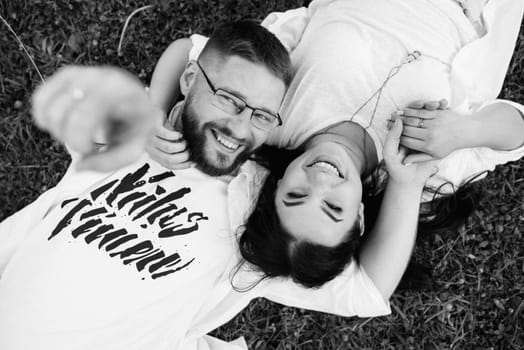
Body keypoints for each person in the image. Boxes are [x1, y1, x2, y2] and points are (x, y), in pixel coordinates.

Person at [0, 19, 437, 350]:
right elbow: (189, 49)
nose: (240, 126)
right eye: (229, 100)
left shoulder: (260, 222)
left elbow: (368, 289)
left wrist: (406, 185)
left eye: (262, 116)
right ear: (190, 84)